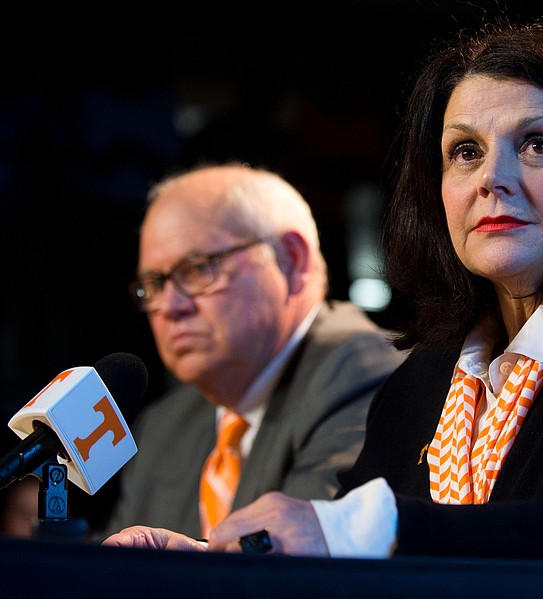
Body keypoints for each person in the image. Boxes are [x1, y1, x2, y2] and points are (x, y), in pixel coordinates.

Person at [102, 20, 543, 598]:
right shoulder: (420, 382)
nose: (492, 177)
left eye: (537, 144)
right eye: (465, 151)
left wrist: (365, 528)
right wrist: (203, 562)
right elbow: (336, 566)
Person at [98, 162, 406, 540]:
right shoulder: (165, 425)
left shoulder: (361, 372)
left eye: (196, 269)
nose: (169, 306)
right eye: (154, 283)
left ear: (291, 260)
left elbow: (290, 573)